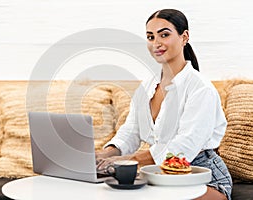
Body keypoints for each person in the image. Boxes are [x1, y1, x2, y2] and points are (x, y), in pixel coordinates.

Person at [96, 9, 232, 200]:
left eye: (164, 35)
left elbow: (184, 146)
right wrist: (105, 154)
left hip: (201, 177)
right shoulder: (147, 87)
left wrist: (129, 160)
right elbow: (131, 131)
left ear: (184, 37)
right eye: (150, 37)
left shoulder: (200, 89)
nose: (156, 43)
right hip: (159, 175)